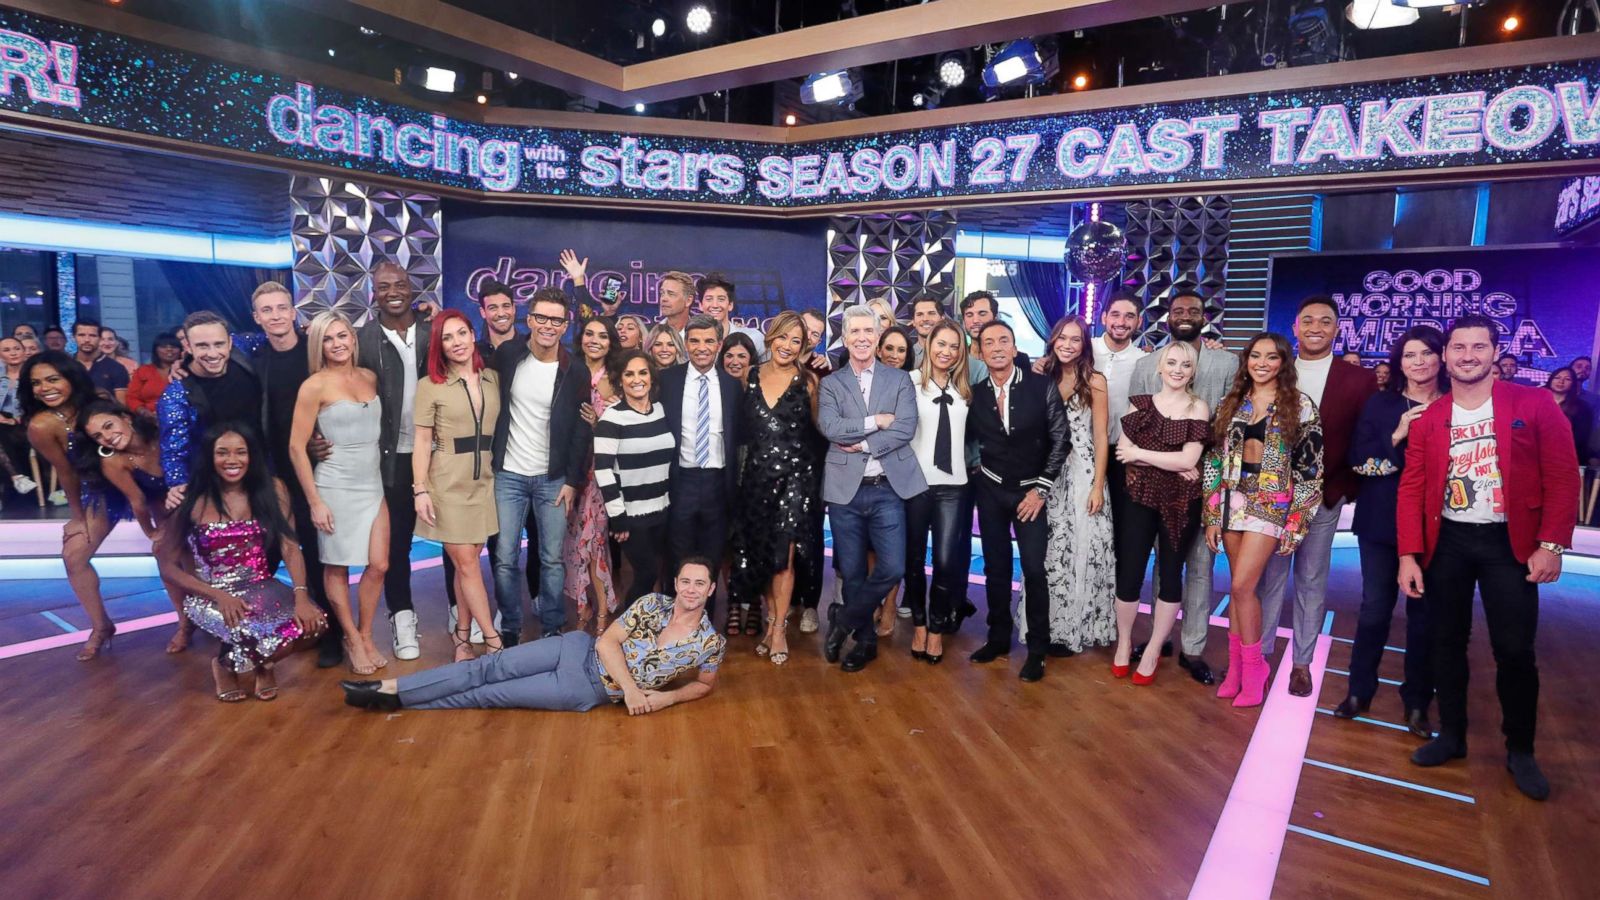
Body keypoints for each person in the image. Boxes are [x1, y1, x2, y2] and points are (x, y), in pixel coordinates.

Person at [1398, 315, 1580, 801]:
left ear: (1495, 352)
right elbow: (1412, 487)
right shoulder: (1431, 417)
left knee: (1515, 650)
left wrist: (1552, 544)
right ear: (1446, 355)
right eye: (1459, 347)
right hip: (1449, 542)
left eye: (1479, 346)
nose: (1468, 355)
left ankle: (1520, 749)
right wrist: (1408, 554)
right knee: (1444, 642)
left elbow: (1563, 476)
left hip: (1510, 546)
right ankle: (1451, 736)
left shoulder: (1533, 402)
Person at [341, 557, 724, 715]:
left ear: (710, 590)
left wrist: (667, 698)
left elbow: (704, 686)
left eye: (699, 584)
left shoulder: (710, 644)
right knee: (486, 668)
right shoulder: (653, 603)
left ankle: (400, 703)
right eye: (685, 581)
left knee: (487, 695)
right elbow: (607, 641)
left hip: (586, 690)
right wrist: (633, 691)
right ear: (676, 583)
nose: (690, 589)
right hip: (576, 649)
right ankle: (389, 686)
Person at [1256, 296, 1378, 697]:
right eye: (1307, 320)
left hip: (1324, 496)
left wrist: (1345, 488)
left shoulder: (1358, 379)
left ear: (1336, 329)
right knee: (1268, 579)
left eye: (1325, 321)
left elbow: (1363, 437)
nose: (1315, 327)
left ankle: (1302, 664)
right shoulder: (1276, 369)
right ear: (1295, 327)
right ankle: (1260, 657)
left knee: (1311, 579)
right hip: (1271, 496)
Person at [155, 424, 325, 702]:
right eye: (222, 453)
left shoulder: (274, 488)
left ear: (252, 456)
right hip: (211, 593)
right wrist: (219, 595)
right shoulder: (192, 498)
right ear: (209, 457)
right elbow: (167, 566)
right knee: (246, 628)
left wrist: (302, 596)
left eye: (240, 452)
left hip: (261, 585)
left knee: (314, 624)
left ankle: (259, 663)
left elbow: (290, 547)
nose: (232, 460)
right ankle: (225, 667)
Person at [1201, 333, 1324, 708]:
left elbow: (1311, 470)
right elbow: (1214, 461)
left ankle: (1255, 669)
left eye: (1272, 357)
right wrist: (1211, 513)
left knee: (1240, 587)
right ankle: (1237, 669)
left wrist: (1297, 523)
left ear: (1283, 363)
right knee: (1242, 592)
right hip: (1233, 500)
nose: (1263, 363)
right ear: (1246, 360)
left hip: (1272, 502)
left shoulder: (1300, 405)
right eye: (1256, 355)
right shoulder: (1231, 402)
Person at [1336, 326, 1446, 737]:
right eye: (1409, 355)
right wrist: (1397, 437)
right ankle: (1359, 691)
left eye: (1426, 354)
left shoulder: (1457, 405)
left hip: (1439, 523)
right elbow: (1360, 463)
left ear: (1441, 358)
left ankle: (1418, 702)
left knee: (1426, 618)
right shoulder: (1381, 404)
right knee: (1375, 609)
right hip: (1382, 520)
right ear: (1399, 363)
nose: (1418, 362)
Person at [1126, 291, 1238, 685]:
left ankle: (1193, 647)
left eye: (1193, 310)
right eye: (1178, 310)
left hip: (1206, 478)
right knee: (1164, 561)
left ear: (1205, 316)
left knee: (1201, 565)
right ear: (1167, 316)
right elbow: (1137, 426)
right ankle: (1161, 638)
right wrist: (1171, 463)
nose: (1186, 315)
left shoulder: (1227, 362)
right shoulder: (1145, 363)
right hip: (1158, 479)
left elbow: (1229, 425)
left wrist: (1199, 464)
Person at [818, 305, 924, 674]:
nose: (862, 338)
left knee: (893, 567)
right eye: (855, 332)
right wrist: (874, 421)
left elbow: (905, 428)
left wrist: (862, 442)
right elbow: (831, 427)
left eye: (869, 331)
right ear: (845, 339)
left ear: (879, 338)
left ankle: (843, 619)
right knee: (850, 569)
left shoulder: (899, 381)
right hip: (845, 490)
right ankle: (864, 643)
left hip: (887, 488)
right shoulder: (831, 383)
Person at [489, 286, 592, 643]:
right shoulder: (508, 355)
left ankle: (552, 627)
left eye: (557, 320)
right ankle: (510, 627)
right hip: (509, 475)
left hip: (553, 478)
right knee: (504, 558)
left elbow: (582, 431)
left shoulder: (575, 370)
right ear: (529, 320)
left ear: (566, 326)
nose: (549, 325)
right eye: (542, 317)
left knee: (551, 560)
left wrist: (572, 481)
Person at [967, 320, 1068, 681]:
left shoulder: (1041, 387)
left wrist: (1040, 489)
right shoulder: (975, 393)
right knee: (995, 569)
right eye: (988, 342)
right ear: (980, 351)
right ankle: (997, 638)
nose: (996, 347)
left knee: (1034, 570)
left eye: (1003, 341)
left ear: (1014, 348)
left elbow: (1061, 440)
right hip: (991, 491)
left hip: (1031, 493)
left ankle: (1037, 649)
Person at [290, 311, 389, 676]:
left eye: (343, 335)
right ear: (319, 345)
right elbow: (297, 448)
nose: (338, 344)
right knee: (337, 565)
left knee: (379, 564)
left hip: (372, 483)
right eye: (329, 339)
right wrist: (315, 501)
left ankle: (364, 634)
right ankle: (350, 636)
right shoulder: (314, 385)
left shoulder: (369, 376)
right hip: (335, 484)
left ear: (353, 337)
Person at [248, 282, 342, 667]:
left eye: (281, 308)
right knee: (273, 551)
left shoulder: (314, 353)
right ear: (257, 318)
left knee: (322, 553)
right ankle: (262, 630)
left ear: (293, 312)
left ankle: (332, 633)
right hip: (277, 470)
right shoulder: (255, 361)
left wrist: (327, 441)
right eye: (266, 310)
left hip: (321, 466)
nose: (274, 315)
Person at [1112, 341, 1210, 685]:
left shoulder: (1199, 407)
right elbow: (1123, 454)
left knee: (1170, 574)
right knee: (1130, 573)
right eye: (1171, 363)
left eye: (1185, 365)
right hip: (1139, 496)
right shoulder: (1139, 404)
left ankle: (1153, 648)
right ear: (1159, 366)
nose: (1177, 370)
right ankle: (1124, 642)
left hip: (1181, 502)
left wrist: (1144, 453)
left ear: (1193, 371)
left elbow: (1189, 460)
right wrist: (1168, 459)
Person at [728, 312, 822, 666]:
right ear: (770, 338)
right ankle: (770, 621)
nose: (787, 345)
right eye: (782, 337)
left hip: (797, 481)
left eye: (795, 341)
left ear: (803, 346)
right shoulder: (747, 377)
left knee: (784, 556)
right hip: (755, 480)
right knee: (764, 556)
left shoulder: (809, 381)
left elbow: (820, 431)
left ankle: (780, 628)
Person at [412, 309, 503, 661]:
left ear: (471, 335)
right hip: (446, 483)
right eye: (447, 337)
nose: (456, 342)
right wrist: (420, 488)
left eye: (461, 333)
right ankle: (493, 641)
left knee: (469, 562)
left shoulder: (493, 378)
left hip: (483, 481)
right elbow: (422, 441)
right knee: (466, 564)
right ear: (439, 345)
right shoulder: (429, 385)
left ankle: (462, 636)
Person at [22, 352, 124, 659]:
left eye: (52, 379)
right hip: (100, 490)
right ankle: (101, 625)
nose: (44, 388)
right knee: (74, 555)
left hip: (140, 479)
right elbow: (66, 472)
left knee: (170, 548)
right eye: (36, 383)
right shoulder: (41, 425)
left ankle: (188, 623)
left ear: (71, 378)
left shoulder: (99, 400)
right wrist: (78, 517)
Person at [354, 261, 431, 661]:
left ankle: (461, 616)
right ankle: (403, 619)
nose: (394, 291)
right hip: (389, 460)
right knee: (396, 545)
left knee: (456, 540)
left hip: (438, 455)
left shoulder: (434, 332)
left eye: (400, 284)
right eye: (385, 287)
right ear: (375, 292)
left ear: (412, 288)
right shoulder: (361, 339)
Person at [77, 399, 194, 651]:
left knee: (199, 550)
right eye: (98, 435)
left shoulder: (157, 427)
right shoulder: (112, 461)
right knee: (165, 553)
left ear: (126, 418)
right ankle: (185, 622)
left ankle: (214, 609)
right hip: (163, 508)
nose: (106, 437)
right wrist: (152, 533)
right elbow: (138, 501)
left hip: (199, 493)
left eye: (109, 426)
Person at [1037, 316, 1115, 656]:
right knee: (1052, 553)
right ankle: (1049, 627)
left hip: (1084, 472)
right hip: (1049, 473)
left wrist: (1098, 485)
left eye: (1076, 340)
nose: (1068, 344)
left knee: (1084, 549)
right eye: (1062, 338)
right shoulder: (1041, 375)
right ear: (1053, 340)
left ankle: (1077, 627)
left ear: (1085, 345)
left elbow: (1100, 437)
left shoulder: (1095, 381)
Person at [659, 316, 743, 624]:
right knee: (678, 554)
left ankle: (701, 622)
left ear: (720, 345)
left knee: (712, 553)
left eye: (709, 341)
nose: (702, 347)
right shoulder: (666, 380)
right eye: (694, 340)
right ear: (685, 343)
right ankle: (676, 621)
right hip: (680, 479)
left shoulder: (733, 386)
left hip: (718, 482)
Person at [901, 319, 972, 663]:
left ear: (961, 353)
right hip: (916, 484)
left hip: (953, 487)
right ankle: (918, 624)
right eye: (940, 344)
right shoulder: (910, 383)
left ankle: (937, 628)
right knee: (913, 559)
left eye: (954, 346)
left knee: (945, 562)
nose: (946, 351)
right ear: (928, 346)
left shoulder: (966, 389)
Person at [594, 349, 675, 608]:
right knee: (646, 574)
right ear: (620, 380)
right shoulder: (612, 417)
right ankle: (621, 635)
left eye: (643, 372)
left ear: (652, 378)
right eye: (629, 374)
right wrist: (618, 517)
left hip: (663, 511)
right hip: (631, 515)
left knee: (663, 575)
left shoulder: (663, 411)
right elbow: (603, 470)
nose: (636, 379)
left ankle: (653, 629)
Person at [158, 311, 263, 511]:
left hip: (262, 470)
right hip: (216, 483)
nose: (213, 353)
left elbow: (269, 336)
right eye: (202, 346)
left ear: (230, 342)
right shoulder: (176, 395)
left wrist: (306, 331)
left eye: (219, 344)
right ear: (188, 347)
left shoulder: (241, 349)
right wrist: (177, 486)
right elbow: (173, 451)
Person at [563, 316, 620, 631]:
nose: (595, 340)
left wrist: (601, 422)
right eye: (589, 334)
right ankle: (583, 607)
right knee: (573, 546)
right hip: (570, 469)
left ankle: (600, 611)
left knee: (594, 542)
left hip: (599, 472)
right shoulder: (569, 369)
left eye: (602, 335)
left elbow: (623, 429)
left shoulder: (612, 377)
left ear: (611, 342)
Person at [0, 337, 39, 497]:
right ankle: (17, 477)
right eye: (7, 350)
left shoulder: (34, 377)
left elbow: (38, 407)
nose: (13, 353)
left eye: (16, 348)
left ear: (24, 352)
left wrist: (14, 420)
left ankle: (15, 476)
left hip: (26, 427)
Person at [696, 272, 764, 346]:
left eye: (721, 299)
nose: (715, 305)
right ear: (700, 305)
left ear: (730, 305)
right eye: (709, 299)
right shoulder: (691, 340)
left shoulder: (753, 338)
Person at [73, 319, 129, 405]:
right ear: (74, 337)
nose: (87, 340)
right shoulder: (66, 365)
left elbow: (122, 405)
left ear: (99, 339)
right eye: (81, 335)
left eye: (92, 335)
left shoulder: (116, 368)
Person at [1545, 366, 1594, 466]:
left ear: (1573, 384)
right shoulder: (1536, 402)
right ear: (1550, 380)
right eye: (1557, 378)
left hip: (1566, 457)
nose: (1561, 381)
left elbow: (1580, 438)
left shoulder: (1582, 407)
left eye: (1567, 379)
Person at [126, 332, 183, 416]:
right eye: (163, 346)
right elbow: (132, 398)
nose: (169, 349)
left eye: (174, 346)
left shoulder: (187, 371)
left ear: (180, 350)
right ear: (155, 350)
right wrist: (144, 412)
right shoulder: (143, 371)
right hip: (147, 419)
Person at [475, 278, 523, 358]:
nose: (501, 314)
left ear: (514, 308)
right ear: (483, 312)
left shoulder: (530, 348)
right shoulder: (475, 353)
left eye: (506, 306)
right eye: (493, 308)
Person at [657, 271, 695, 339]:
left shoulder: (701, 334)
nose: (663, 299)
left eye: (671, 294)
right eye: (662, 293)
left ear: (688, 300)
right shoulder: (652, 334)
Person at [908, 296, 943, 365]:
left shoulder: (952, 355)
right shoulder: (906, 356)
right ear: (913, 321)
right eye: (920, 314)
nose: (925, 319)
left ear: (942, 319)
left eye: (931, 313)